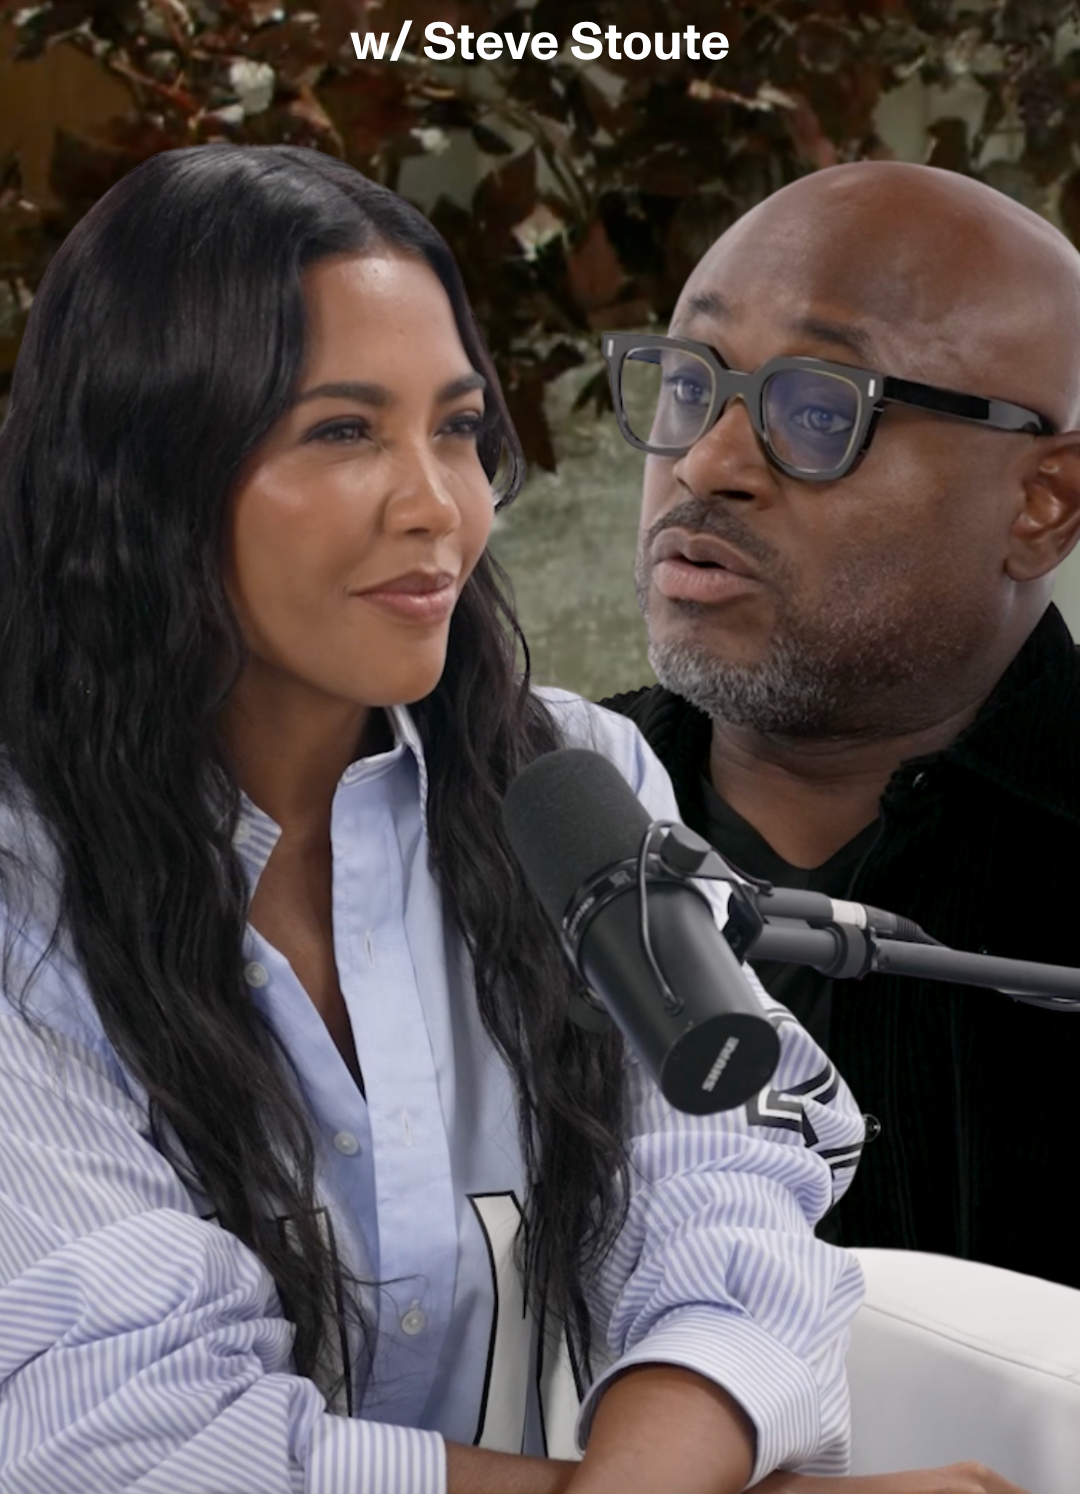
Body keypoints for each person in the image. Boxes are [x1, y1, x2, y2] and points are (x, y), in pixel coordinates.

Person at [1, 140, 942, 1494]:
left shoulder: (569, 778)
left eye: (453, 427)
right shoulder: (21, 883)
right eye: (342, 431)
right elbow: (132, 1435)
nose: (437, 505)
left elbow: (721, 1191)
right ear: (143, 472)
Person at [600, 160, 1080, 1291]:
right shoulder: (492, 825)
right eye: (687, 386)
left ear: (1040, 505)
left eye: (819, 411)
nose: (707, 466)